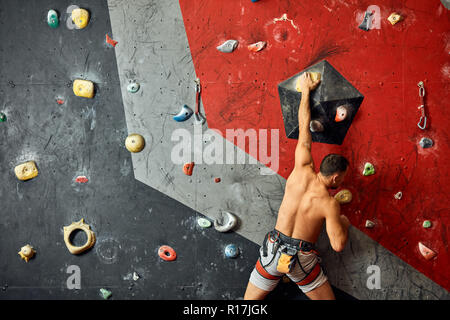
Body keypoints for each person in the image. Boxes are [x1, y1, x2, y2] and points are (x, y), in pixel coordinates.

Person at [244, 72, 351, 300]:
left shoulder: (301, 167)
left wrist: (306, 91)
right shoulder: (329, 204)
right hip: (300, 260)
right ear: (335, 178)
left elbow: (304, 127)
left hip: (273, 249)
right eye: (342, 178)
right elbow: (338, 245)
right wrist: (343, 222)